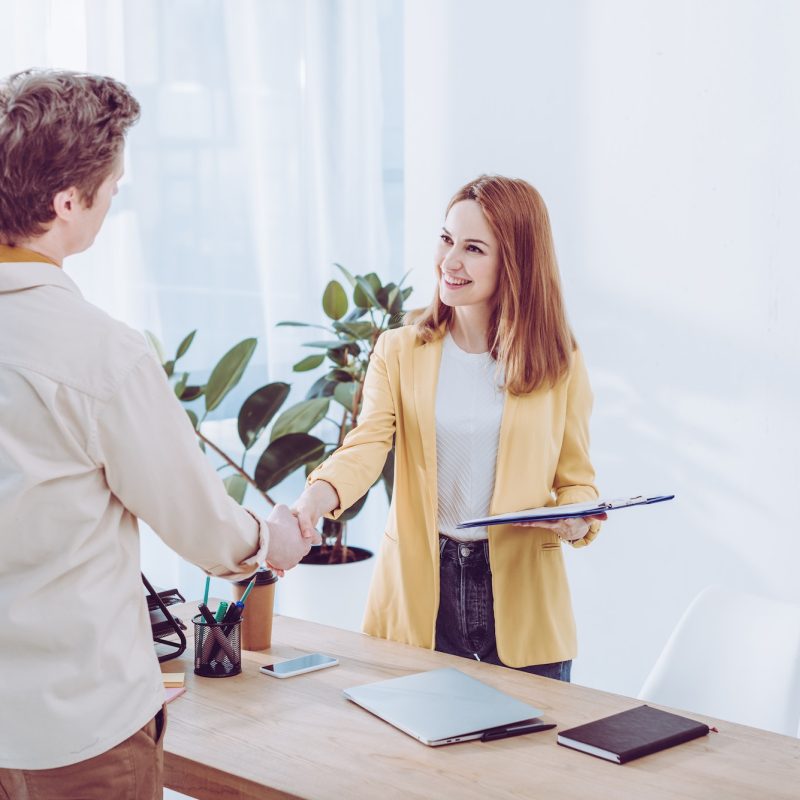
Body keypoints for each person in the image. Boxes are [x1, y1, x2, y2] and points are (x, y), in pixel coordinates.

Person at [0, 69, 317, 799]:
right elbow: (205, 530)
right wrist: (270, 542)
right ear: (67, 202)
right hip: (77, 730)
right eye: (111, 188)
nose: (114, 201)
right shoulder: (99, 353)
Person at [291, 174, 605, 681]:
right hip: (421, 591)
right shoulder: (400, 350)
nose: (449, 261)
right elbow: (365, 447)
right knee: (413, 758)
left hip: (524, 602)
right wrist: (312, 503)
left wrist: (576, 520)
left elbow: (577, 480)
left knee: (527, 759)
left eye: (474, 248)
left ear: (516, 264)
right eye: (446, 239)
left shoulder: (558, 361)